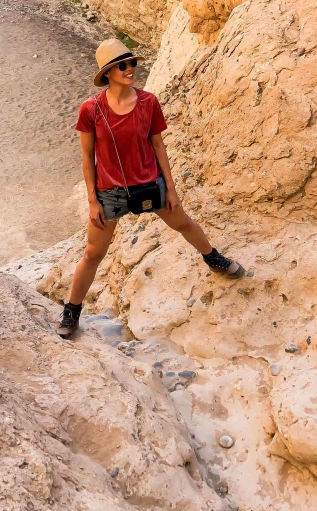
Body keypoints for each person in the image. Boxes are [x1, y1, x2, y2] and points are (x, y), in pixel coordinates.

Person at [58, 38, 245, 339]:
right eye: (123, 65)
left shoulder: (148, 102)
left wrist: (171, 189)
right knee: (93, 253)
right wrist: (93, 201)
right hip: (110, 192)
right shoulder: (91, 109)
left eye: (132, 62)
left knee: (182, 222)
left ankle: (213, 258)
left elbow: (158, 145)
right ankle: (71, 311)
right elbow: (86, 158)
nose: (130, 69)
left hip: (149, 182)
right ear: (108, 72)